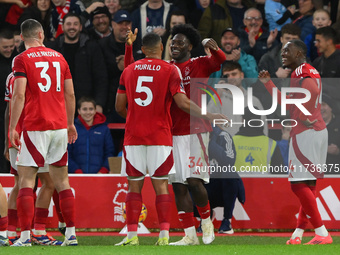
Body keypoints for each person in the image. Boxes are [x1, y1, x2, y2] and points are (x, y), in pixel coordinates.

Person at [115, 32, 226, 246]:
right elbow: (135, 71)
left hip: (195, 130)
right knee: (177, 185)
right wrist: (128, 48)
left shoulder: (199, 63)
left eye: (180, 42)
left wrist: (214, 47)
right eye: (172, 42)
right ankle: (189, 234)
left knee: (194, 181)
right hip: (171, 131)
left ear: (190, 45)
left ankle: (206, 223)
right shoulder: (168, 67)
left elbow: (219, 60)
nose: (175, 45)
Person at [10, 19, 78, 246]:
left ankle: (25, 236)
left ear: (22, 38)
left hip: (35, 125)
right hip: (59, 126)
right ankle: (71, 235)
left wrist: (13, 127)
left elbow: (19, 95)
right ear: (41, 34)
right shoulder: (60, 57)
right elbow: (70, 94)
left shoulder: (21, 59)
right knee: (62, 182)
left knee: (27, 180)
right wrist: (70, 124)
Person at [259, 39, 332, 245]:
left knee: (298, 184)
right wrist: (269, 85)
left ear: (299, 52)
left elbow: (311, 90)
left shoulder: (300, 72)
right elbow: (289, 102)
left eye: (287, 50)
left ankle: (322, 233)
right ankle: (298, 234)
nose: (283, 53)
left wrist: (302, 115)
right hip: (317, 131)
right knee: (308, 185)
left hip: (305, 132)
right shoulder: (310, 69)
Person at [4, 68, 62, 246]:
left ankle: (12, 232)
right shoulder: (38, 72)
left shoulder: (11, 76)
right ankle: (37, 231)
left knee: (21, 183)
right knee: (46, 182)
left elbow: (8, 110)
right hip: (34, 132)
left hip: (18, 134)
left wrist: (8, 138)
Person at [46, 12, 108, 113]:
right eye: (69, 24)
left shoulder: (92, 47)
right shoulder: (52, 49)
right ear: (63, 27)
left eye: (75, 24)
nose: (72, 27)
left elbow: (101, 78)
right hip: (58, 105)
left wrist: (99, 103)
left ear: (80, 27)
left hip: (86, 106)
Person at [99, 9, 132, 155]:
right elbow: (100, 74)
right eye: (120, 23)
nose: (124, 27)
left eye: (127, 23)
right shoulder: (102, 45)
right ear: (113, 24)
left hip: (134, 104)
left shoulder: (139, 44)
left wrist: (129, 64)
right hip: (110, 104)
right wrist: (116, 66)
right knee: (109, 146)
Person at [209, 62, 267, 136]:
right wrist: (217, 96)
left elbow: (263, 127)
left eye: (234, 74)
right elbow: (209, 121)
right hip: (226, 145)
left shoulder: (253, 101)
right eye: (227, 75)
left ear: (242, 75)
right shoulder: (218, 98)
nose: (230, 78)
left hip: (248, 146)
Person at [68, 97, 114, 174]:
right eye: (84, 109)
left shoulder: (104, 129)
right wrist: (76, 171)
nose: (88, 112)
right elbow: (66, 153)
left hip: (100, 177)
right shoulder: (72, 129)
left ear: (95, 110)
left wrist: (104, 170)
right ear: (79, 111)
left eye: (91, 109)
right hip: (76, 176)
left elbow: (110, 152)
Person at [0, 29, 17, 173]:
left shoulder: (18, 61)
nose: (9, 49)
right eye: (5, 47)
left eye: (11, 46)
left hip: (13, 116)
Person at [321, 94, 340, 173]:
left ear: (331, 108)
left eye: (324, 104)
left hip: (336, 174)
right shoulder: (310, 126)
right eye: (318, 106)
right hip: (314, 174)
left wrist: (338, 152)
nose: (321, 108)